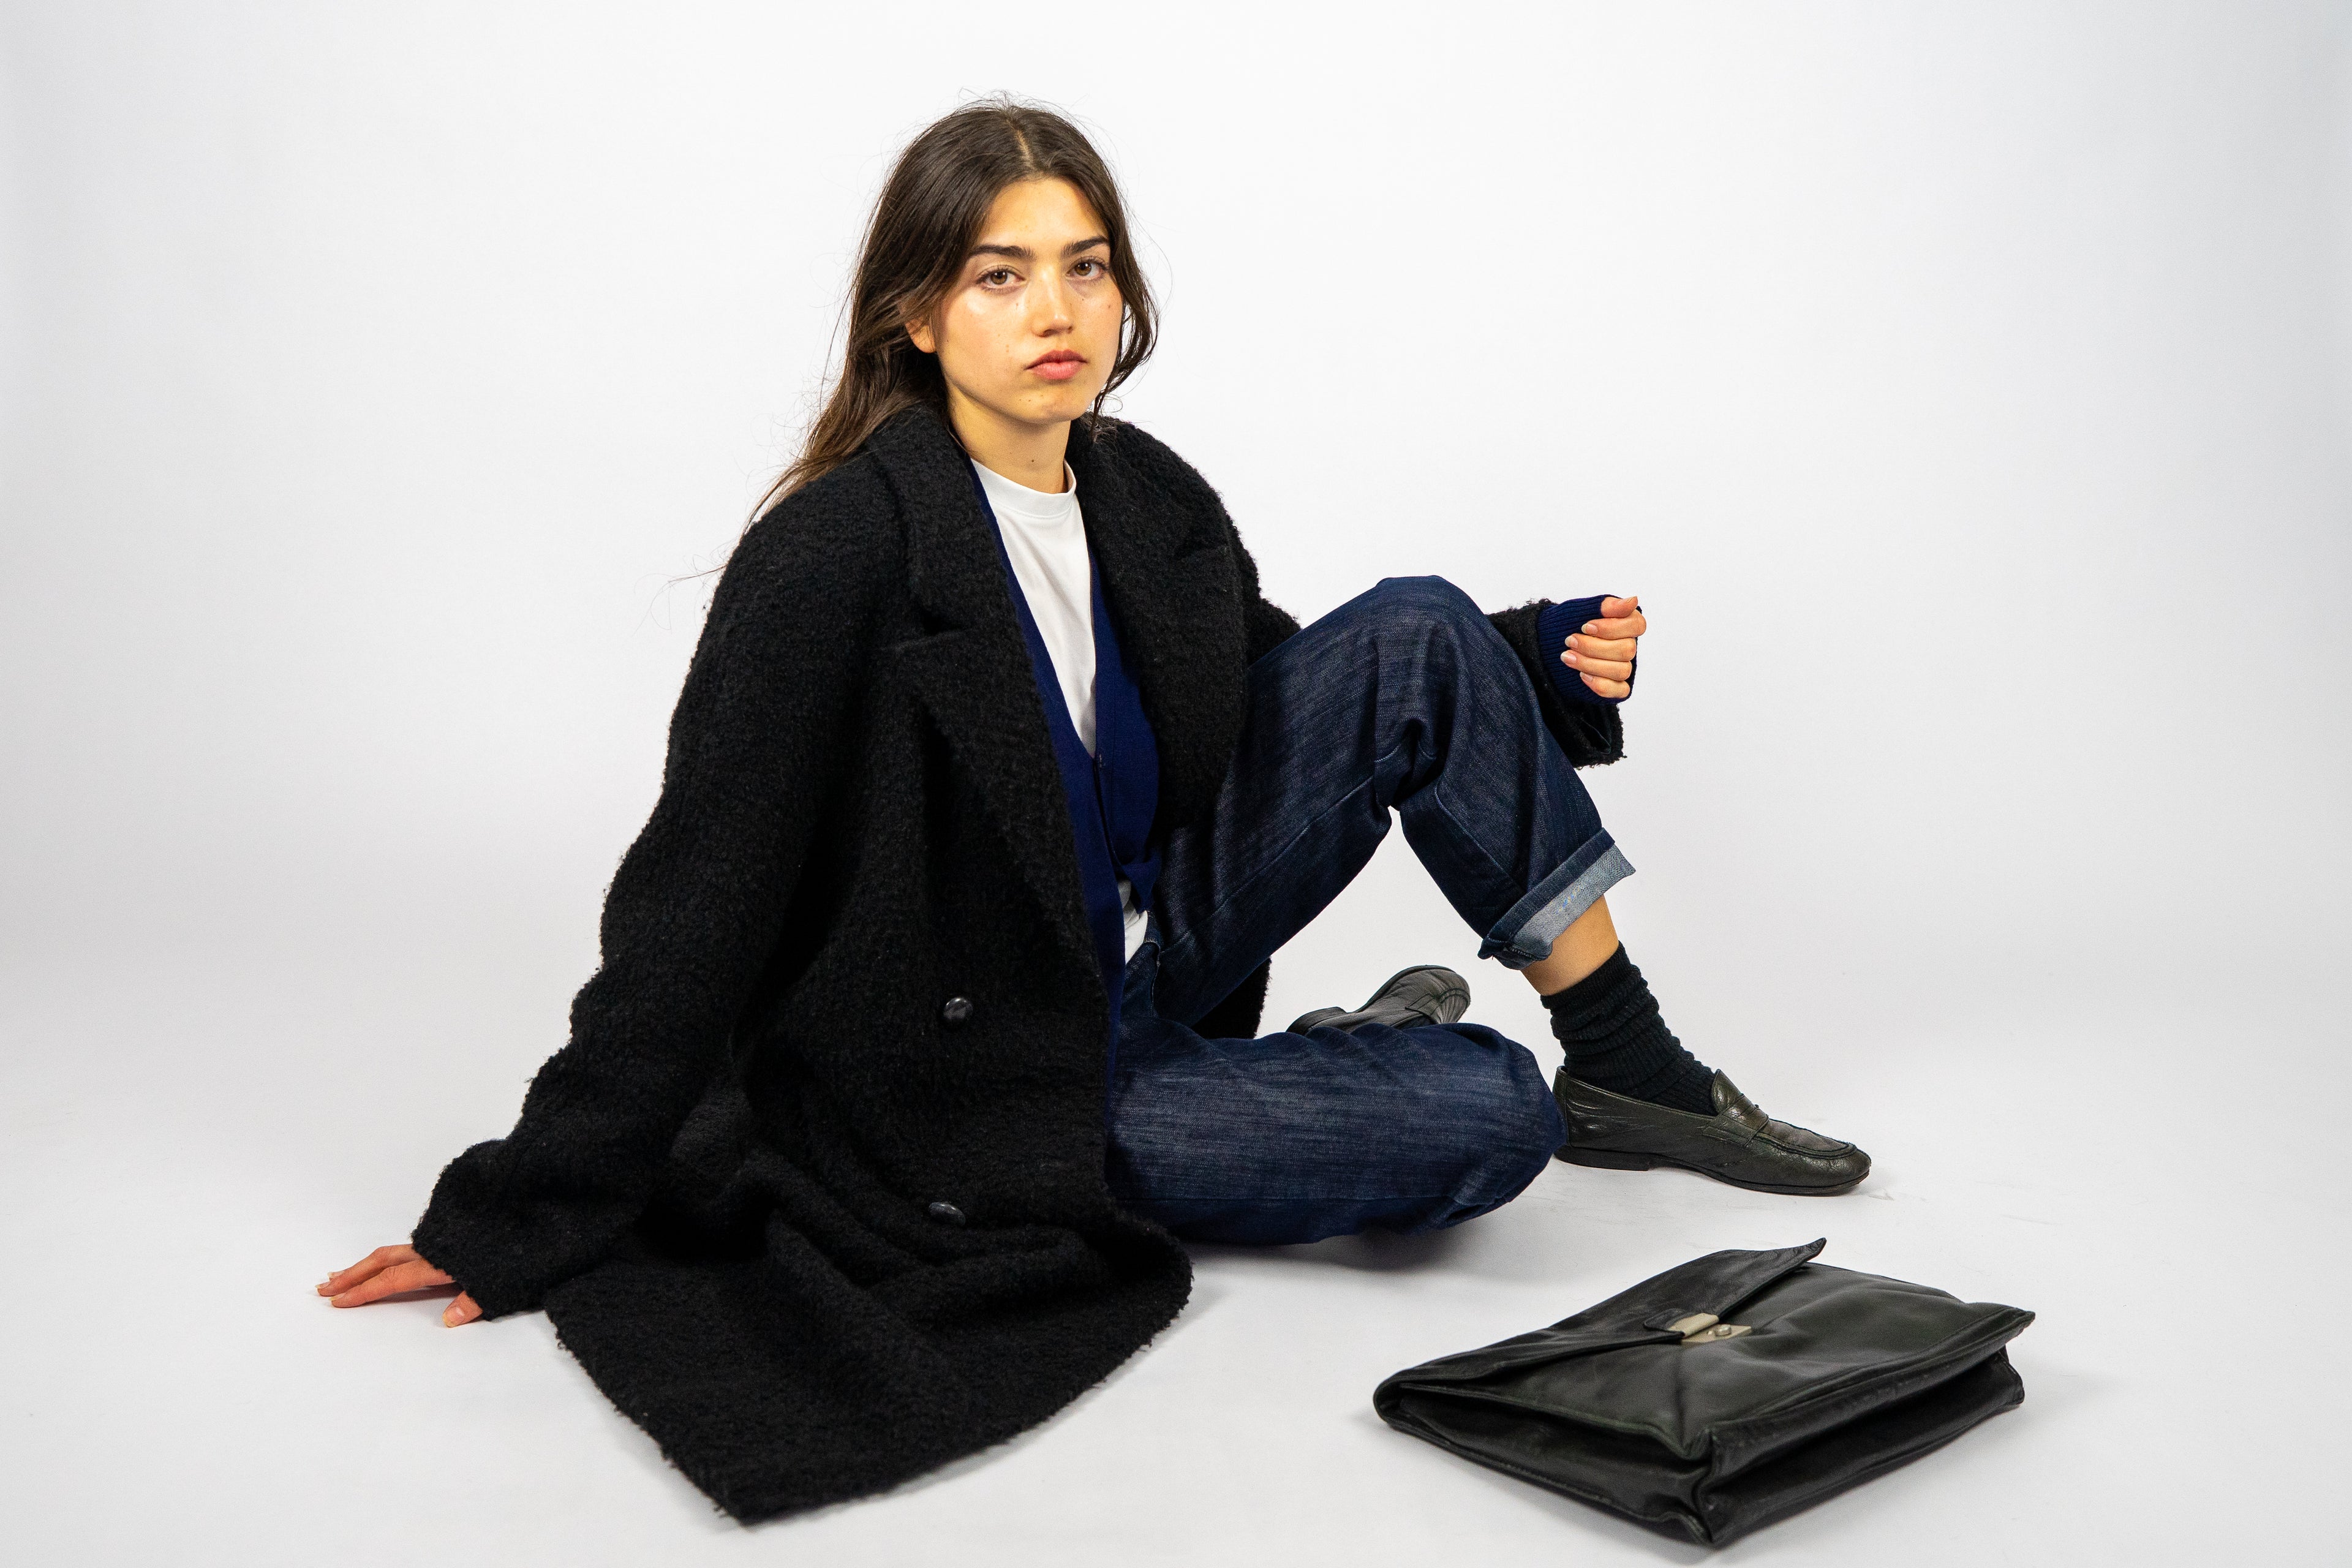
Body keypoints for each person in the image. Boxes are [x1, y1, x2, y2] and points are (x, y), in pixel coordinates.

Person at [318, 99, 1867, 1521]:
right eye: (999, 277)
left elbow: (1276, 694)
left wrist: (1518, 656)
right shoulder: (833, 555)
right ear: (916, 313)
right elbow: (693, 905)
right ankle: (1354, 1062)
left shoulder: (1144, 492)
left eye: (1085, 267)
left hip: (1145, 946)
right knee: (1487, 1113)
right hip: (992, 1078)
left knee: (1418, 620)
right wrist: (529, 1203)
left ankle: (1630, 1069)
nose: (1054, 313)